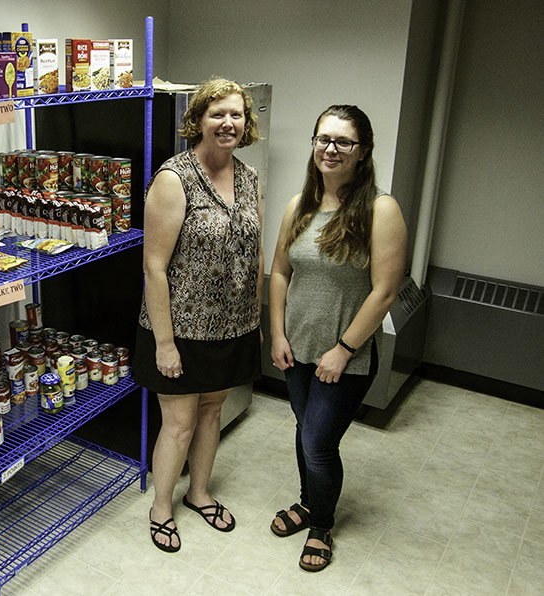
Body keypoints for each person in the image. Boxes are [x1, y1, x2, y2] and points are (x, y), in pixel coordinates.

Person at [268, 105, 406, 571]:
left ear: (362, 152)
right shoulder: (299, 205)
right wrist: (276, 333)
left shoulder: (379, 209)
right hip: (297, 347)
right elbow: (280, 273)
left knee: (319, 442)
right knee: (305, 430)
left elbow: (385, 290)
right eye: (323, 138)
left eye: (342, 142)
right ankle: (308, 501)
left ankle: (321, 525)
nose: (330, 148)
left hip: (345, 356)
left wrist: (344, 350)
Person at [133, 78, 263, 553]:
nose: (228, 123)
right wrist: (165, 343)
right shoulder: (174, 178)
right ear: (198, 121)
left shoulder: (249, 178)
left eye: (237, 115)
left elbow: (255, 252)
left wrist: (256, 317)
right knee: (180, 422)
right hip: (180, 329)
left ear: (246, 124)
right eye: (217, 114)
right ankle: (161, 507)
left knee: (213, 412)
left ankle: (200, 493)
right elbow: (154, 266)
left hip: (233, 326)